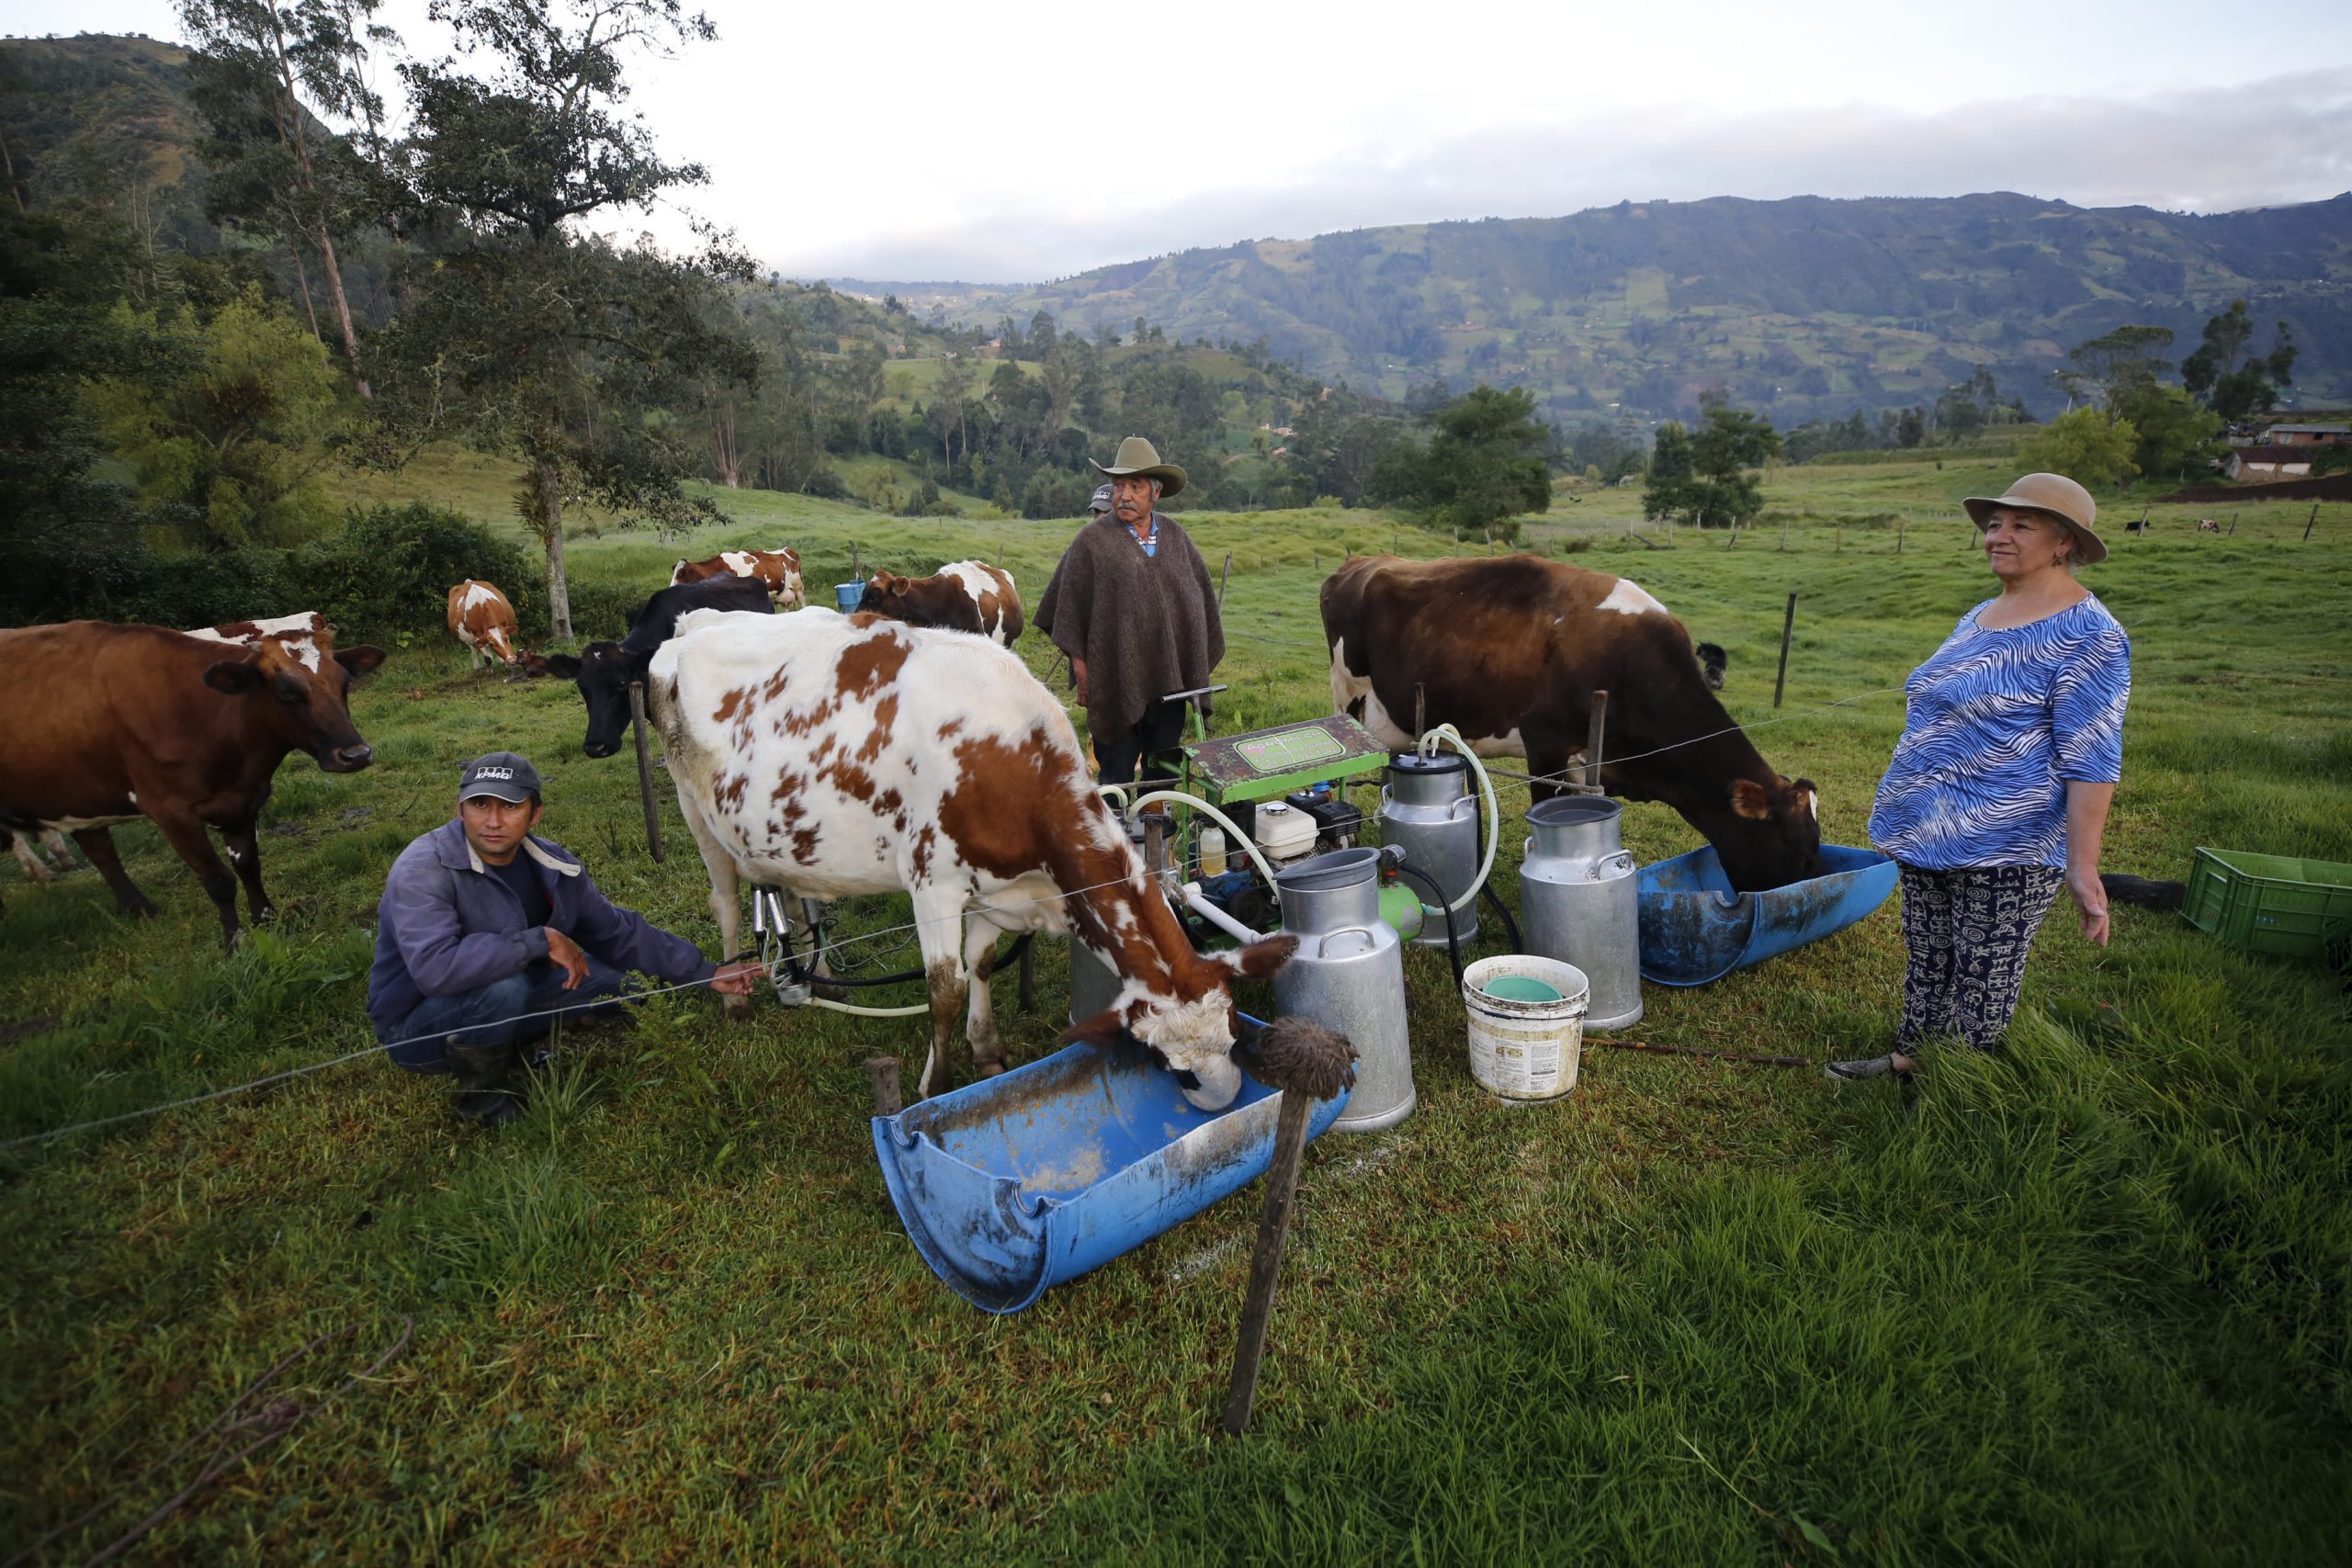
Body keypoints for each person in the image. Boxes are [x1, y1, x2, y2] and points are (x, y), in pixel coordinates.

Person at [1830, 473, 2131, 1082]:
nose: (1999, 536)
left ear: (2063, 542)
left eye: (2021, 525)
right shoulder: (1982, 614)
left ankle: (1962, 1088)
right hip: (1928, 830)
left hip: (2008, 843)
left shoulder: (2090, 635)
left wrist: (2082, 865)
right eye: (1995, 523)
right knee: (1929, 958)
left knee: (1983, 969)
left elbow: (2092, 759)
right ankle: (1908, 1059)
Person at [368, 751, 761, 1124]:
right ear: (459, 809)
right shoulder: (423, 869)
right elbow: (436, 970)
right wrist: (539, 940)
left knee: (622, 980)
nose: (493, 821)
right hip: (417, 1029)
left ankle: (518, 1038)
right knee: (503, 987)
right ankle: (482, 1099)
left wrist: (705, 971)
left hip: (517, 988)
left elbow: (616, 932)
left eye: (510, 806)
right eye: (480, 805)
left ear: (534, 814)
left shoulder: (553, 864)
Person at [1035, 436, 1225, 787]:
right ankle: (1115, 838)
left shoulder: (1176, 537)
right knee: (1116, 780)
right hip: (1113, 684)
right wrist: (1082, 672)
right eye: (1118, 485)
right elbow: (1068, 611)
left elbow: (1199, 605)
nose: (1124, 495)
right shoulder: (1092, 542)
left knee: (1162, 774)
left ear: (1156, 493)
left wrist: (1193, 662)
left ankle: (1157, 837)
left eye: (1135, 486)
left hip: (1171, 684)